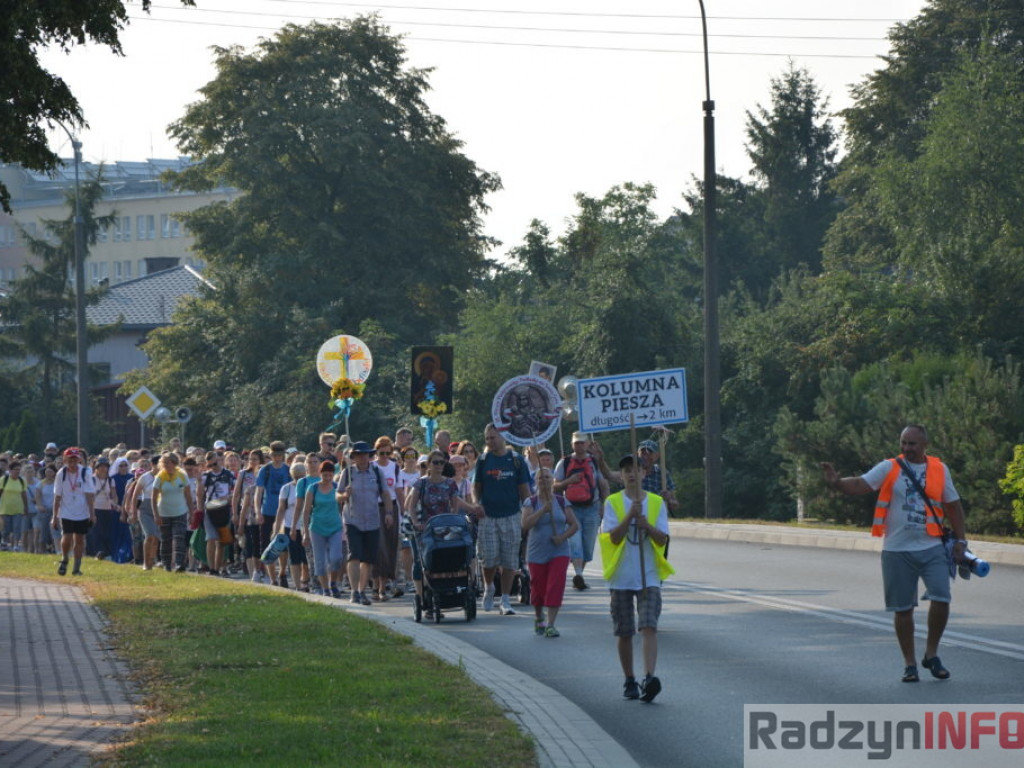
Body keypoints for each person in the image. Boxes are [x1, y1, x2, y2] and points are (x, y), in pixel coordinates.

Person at [821, 424, 967, 683]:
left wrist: (961, 541)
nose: (907, 448)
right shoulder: (890, 467)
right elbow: (860, 484)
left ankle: (931, 654)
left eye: (912, 444)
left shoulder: (939, 469)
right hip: (897, 550)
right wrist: (837, 484)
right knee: (903, 609)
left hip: (932, 546)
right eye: (903, 443)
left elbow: (953, 506)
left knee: (942, 598)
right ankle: (910, 664)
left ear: (925, 445)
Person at [599, 453, 673, 703]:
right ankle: (629, 678)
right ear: (621, 475)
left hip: (648, 574)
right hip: (621, 574)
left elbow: (663, 538)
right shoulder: (612, 502)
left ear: (644, 473)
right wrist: (630, 515)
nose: (631, 473)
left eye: (636, 469)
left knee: (649, 624)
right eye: (626, 470)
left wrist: (646, 524)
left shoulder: (655, 502)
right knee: (625, 630)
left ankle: (649, 677)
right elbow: (614, 537)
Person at [404, 449, 483, 617]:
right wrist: (416, 522)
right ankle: (424, 596)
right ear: (429, 465)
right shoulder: (421, 484)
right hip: (426, 528)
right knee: (424, 561)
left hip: (445, 527)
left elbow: (455, 503)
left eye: (441, 463)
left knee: (451, 557)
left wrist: (454, 519)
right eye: (435, 462)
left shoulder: (449, 484)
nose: (439, 466)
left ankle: (454, 589)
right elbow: (411, 505)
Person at [473, 424, 532, 615]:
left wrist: (529, 509)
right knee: (488, 559)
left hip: (511, 515)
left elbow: (524, 489)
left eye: (493, 438)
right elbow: (476, 487)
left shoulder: (516, 460)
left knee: (509, 560)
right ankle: (489, 587)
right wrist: (476, 504)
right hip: (488, 516)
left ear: (502, 437)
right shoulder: (483, 460)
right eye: (487, 438)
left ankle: (506, 599)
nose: (490, 441)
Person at [522, 467, 578, 638]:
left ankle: (551, 624)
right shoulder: (530, 502)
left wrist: (562, 537)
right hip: (537, 552)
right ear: (536, 482)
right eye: (540, 478)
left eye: (547, 477)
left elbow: (575, 525)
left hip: (559, 551)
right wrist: (542, 511)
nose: (544, 481)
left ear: (553, 480)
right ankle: (539, 617)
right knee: (538, 590)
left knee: (556, 585)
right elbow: (525, 525)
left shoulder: (562, 502)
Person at [337, 441, 393, 606]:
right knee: (354, 555)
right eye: (359, 455)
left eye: (365, 454)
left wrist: (389, 513)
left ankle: (362, 591)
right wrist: (344, 496)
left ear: (370, 455)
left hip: (373, 520)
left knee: (368, 559)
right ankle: (354, 592)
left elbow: (385, 494)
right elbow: (337, 495)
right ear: (353, 457)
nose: (362, 458)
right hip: (352, 519)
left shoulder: (376, 472)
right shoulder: (347, 473)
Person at [554, 432, 608, 591]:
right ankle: (578, 574)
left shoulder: (594, 462)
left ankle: (579, 575)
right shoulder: (564, 463)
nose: (579, 446)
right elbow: (554, 486)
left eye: (582, 443)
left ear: (588, 444)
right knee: (575, 543)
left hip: (592, 508)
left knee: (587, 547)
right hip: (571, 508)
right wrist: (569, 481)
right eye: (576, 443)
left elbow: (603, 484)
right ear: (572, 444)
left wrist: (605, 505)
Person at [300, 461, 345, 597]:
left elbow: (344, 504)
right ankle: (325, 588)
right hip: (317, 528)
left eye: (330, 475)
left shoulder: (337, 488)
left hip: (335, 526)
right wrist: (305, 533)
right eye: (325, 475)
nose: (327, 478)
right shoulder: (312, 488)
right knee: (319, 561)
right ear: (320, 474)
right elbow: (306, 511)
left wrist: (346, 494)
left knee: (336, 557)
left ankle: (333, 583)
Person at [52, 448, 97, 576]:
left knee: (80, 539)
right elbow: (57, 496)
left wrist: (92, 514)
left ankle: (76, 567)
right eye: (70, 460)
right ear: (65, 460)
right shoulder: (62, 473)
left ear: (79, 460)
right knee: (66, 537)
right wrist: (54, 516)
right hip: (66, 511)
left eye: (75, 459)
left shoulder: (85, 472)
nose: (72, 462)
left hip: (82, 511)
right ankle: (65, 558)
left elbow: (89, 494)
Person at [254, 442, 292, 585]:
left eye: (280, 455)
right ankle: (272, 578)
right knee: (268, 545)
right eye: (275, 455)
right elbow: (258, 492)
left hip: (284, 512)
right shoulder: (265, 470)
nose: (277, 458)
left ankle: (282, 572)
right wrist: (258, 511)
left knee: (282, 543)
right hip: (267, 511)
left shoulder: (288, 470)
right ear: (271, 455)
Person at [151, 452, 195, 572]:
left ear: (174, 463)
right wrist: (155, 514)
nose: (165, 464)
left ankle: (179, 563)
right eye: (163, 462)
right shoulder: (159, 477)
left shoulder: (182, 475)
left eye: (168, 462)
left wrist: (192, 512)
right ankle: (166, 564)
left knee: (179, 537)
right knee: (166, 539)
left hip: (180, 511)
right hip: (164, 512)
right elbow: (153, 498)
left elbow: (188, 496)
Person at [200, 451, 235, 577]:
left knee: (222, 541)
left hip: (224, 509)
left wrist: (228, 499)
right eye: (210, 465)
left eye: (214, 463)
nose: (213, 467)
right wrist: (199, 508)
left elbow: (234, 492)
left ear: (220, 461)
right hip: (209, 510)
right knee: (210, 539)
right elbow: (200, 493)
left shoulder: (229, 475)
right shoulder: (205, 476)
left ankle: (219, 567)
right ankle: (212, 568)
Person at [0, 460, 30, 551]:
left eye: (19, 470)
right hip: (5, 508)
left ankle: (16, 545)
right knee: (6, 528)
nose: (17, 471)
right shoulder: (4, 480)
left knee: (17, 527)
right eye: (15, 469)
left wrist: (26, 507)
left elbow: (24, 494)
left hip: (18, 508)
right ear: (10, 470)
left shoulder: (22, 481)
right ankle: (4, 543)